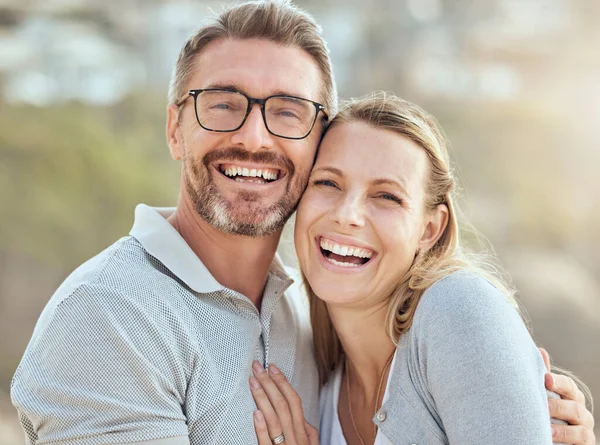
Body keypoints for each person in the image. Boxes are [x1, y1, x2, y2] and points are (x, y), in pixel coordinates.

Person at [9, 1, 593, 445]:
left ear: (315, 141)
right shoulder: (108, 316)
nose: (254, 136)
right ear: (173, 128)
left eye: (287, 112)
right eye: (222, 103)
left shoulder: (305, 318)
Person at [249, 92, 596, 445]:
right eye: (327, 183)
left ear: (430, 229)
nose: (346, 214)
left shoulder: (458, 310)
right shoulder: (311, 368)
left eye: (386, 196)